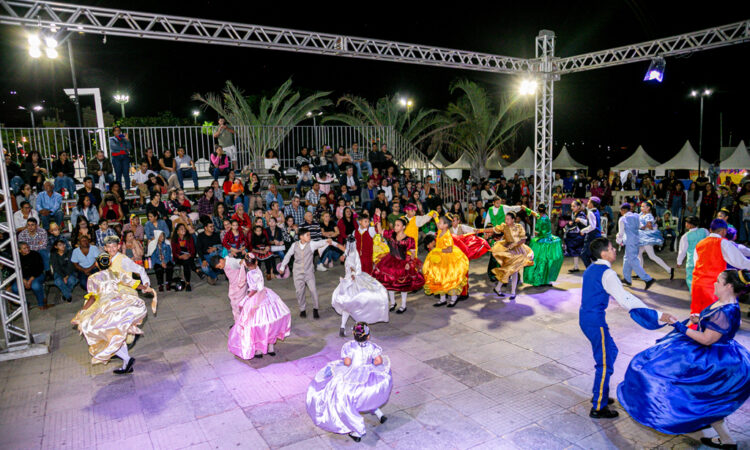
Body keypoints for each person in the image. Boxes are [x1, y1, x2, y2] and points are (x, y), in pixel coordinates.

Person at [617, 269, 750, 447]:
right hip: (712, 353)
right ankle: (725, 439)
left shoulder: (727, 311)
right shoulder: (725, 303)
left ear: (729, 286)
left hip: (713, 361)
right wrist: (699, 319)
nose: (715, 283)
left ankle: (666, 414)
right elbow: (714, 326)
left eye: (719, 281)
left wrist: (679, 326)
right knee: (708, 402)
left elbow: (707, 339)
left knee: (654, 373)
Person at [579, 237, 673, 419]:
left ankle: (600, 391)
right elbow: (625, 299)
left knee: (611, 351)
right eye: (611, 248)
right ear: (603, 253)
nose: (615, 250)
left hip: (587, 319)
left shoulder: (591, 268)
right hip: (595, 322)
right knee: (605, 363)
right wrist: (658, 314)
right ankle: (598, 406)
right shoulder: (607, 273)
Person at [306, 322, 391, 442]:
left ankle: (357, 431)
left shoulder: (349, 346)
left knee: (345, 399)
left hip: (352, 376)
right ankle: (379, 414)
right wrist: (369, 365)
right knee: (367, 396)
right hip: (368, 376)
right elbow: (379, 361)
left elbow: (347, 363)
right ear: (368, 336)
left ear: (353, 334)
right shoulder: (372, 347)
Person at [71, 253, 156, 374]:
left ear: (97, 264)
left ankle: (127, 359)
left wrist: (82, 311)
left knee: (103, 337)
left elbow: (92, 298)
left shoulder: (93, 278)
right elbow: (133, 283)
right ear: (110, 263)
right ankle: (126, 365)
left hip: (106, 309)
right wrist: (145, 287)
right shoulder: (115, 274)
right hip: (119, 305)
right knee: (118, 335)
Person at [222, 253, 291, 359]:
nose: (249, 267)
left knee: (256, 324)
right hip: (266, 295)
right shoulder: (258, 268)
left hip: (256, 298)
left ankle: (259, 349)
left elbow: (254, 289)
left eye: (249, 265)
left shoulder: (250, 273)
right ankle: (270, 347)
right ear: (256, 262)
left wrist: (246, 298)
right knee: (269, 322)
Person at [332, 236, 388, 337]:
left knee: (348, 305)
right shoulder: (350, 252)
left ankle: (343, 326)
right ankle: (352, 326)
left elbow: (351, 266)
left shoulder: (351, 253)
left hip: (351, 280)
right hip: (352, 280)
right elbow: (343, 251)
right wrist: (332, 243)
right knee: (355, 304)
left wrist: (353, 273)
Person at [691, 219, 750, 315]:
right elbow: (740, 262)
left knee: (697, 314)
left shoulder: (700, 243)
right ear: (724, 231)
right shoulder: (723, 243)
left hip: (697, 284)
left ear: (710, 230)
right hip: (714, 285)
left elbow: (696, 263)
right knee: (714, 316)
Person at [373, 217, 425, 314]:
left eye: (398, 225)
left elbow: (413, 253)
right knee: (389, 282)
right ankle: (392, 303)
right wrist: (378, 217)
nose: (395, 227)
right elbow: (380, 231)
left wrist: (409, 263)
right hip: (390, 261)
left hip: (402, 262)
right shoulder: (391, 234)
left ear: (403, 227)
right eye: (395, 225)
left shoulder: (409, 239)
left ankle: (403, 305)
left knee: (402, 284)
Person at [278, 227, 332, 319]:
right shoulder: (294, 245)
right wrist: (282, 266)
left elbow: (320, 243)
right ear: (301, 237)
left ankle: (315, 309)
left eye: (309, 235)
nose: (309, 237)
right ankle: (302, 309)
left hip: (309, 272)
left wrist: (327, 240)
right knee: (300, 292)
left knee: (313, 290)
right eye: (307, 235)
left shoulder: (311, 244)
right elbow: (288, 255)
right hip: (297, 273)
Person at [422, 215, 470, 308]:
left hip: (447, 259)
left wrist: (438, 250)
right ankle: (442, 299)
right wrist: (435, 217)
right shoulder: (440, 230)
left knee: (449, 278)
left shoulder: (447, 236)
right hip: (439, 258)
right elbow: (437, 225)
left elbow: (450, 249)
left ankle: (453, 299)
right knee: (439, 278)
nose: (438, 224)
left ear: (446, 225)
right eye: (439, 223)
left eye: (440, 223)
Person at [488, 212, 534, 299]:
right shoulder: (504, 226)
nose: (506, 220)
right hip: (508, 252)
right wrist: (480, 231)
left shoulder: (519, 227)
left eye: (508, 219)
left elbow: (523, 240)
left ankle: (511, 292)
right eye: (505, 219)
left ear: (513, 220)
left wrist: (514, 244)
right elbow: (493, 229)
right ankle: (499, 288)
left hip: (518, 251)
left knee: (513, 271)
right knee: (507, 271)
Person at [616, 203, 655, 290]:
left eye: (620, 210)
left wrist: (618, 241)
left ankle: (648, 279)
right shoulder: (636, 216)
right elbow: (641, 227)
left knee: (633, 261)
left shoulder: (622, 219)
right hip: (636, 240)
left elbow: (620, 233)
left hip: (629, 241)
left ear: (623, 210)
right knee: (627, 259)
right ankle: (627, 279)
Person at [523, 204, 563, 287]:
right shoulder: (545, 217)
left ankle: (538, 280)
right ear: (545, 210)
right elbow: (536, 215)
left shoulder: (540, 220)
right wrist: (527, 209)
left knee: (538, 261)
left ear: (538, 210)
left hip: (541, 243)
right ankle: (548, 280)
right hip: (549, 242)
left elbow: (536, 232)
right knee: (548, 261)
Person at [638, 201, 674, 279]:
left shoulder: (648, 216)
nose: (641, 208)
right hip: (643, 237)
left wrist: (643, 226)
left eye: (643, 206)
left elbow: (650, 226)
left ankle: (669, 269)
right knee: (639, 253)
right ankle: (640, 273)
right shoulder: (641, 214)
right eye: (641, 206)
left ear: (648, 208)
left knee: (651, 256)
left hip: (647, 238)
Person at [677, 216, 709, 292]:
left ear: (690, 224)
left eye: (687, 223)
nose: (686, 224)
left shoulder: (685, 236)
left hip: (691, 261)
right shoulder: (704, 231)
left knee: (691, 278)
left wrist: (679, 262)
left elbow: (682, 251)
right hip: (704, 259)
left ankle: (694, 293)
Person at [13, 241, 47, 309]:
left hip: (36, 275)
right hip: (22, 277)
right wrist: (23, 280)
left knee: (35, 286)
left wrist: (30, 280)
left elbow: (40, 268)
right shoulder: (16, 258)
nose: (27, 249)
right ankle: (24, 303)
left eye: (27, 247)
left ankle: (41, 303)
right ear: (19, 250)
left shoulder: (35, 254)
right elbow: (14, 270)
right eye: (24, 248)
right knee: (15, 288)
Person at [171, 223, 201, 292]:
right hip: (179, 257)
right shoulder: (175, 240)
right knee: (186, 262)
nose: (183, 230)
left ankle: (188, 283)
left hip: (189, 256)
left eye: (184, 228)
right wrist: (180, 256)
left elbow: (193, 250)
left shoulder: (189, 238)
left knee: (186, 263)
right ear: (177, 231)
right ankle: (196, 270)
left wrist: (189, 255)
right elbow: (174, 252)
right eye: (181, 229)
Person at [50, 238, 77, 303]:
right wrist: (63, 276)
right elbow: (56, 267)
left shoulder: (69, 252)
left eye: (63, 244)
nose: (62, 246)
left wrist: (67, 276)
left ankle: (65, 295)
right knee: (58, 281)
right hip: (59, 272)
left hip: (69, 271)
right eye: (60, 245)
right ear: (56, 247)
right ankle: (68, 296)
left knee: (71, 280)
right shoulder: (53, 254)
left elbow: (70, 265)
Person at [579, 196, 603, 268]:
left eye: (589, 202)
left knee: (584, 254)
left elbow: (592, 226)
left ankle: (590, 269)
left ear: (592, 204)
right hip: (597, 236)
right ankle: (597, 268)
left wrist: (583, 230)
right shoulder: (596, 211)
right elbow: (590, 223)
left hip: (591, 236)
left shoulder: (590, 212)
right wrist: (580, 220)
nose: (587, 203)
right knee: (593, 255)